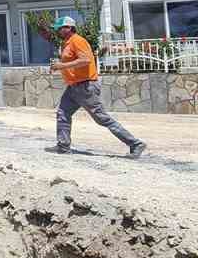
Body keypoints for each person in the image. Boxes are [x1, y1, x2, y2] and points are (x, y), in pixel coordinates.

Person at [50, 16, 147, 158]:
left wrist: (62, 66)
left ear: (69, 28)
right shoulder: (66, 43)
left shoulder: (78, 41)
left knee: (101, 118)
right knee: (62, 113)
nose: (58, 31)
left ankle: (135, 144)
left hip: (85, 86)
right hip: (73, 87)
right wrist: (60, 67)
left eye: (60, 28)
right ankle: (63, 146)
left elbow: (86, 60)